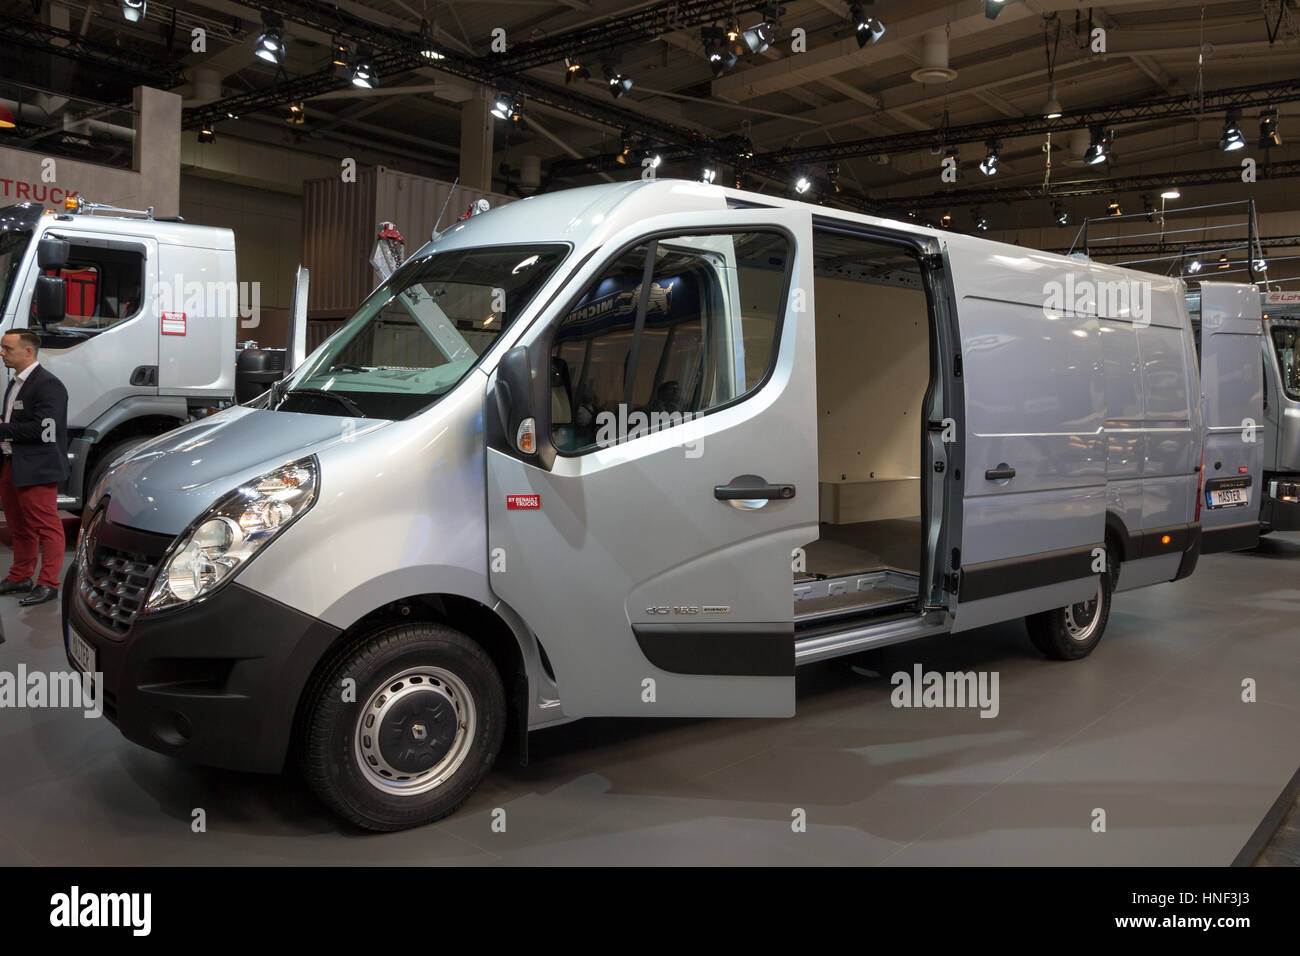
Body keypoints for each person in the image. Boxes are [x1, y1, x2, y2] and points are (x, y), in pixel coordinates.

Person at [0, 329, 69, 606]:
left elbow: (45, 429)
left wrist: (3, 429)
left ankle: (49, 583)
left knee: (46, 525)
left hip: (37, 467)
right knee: (18, 526)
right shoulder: (16, 382)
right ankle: (20, 577)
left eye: (7, 348)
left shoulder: (48, 384)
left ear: (28, 351)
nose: (2, 353)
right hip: (13, 463)